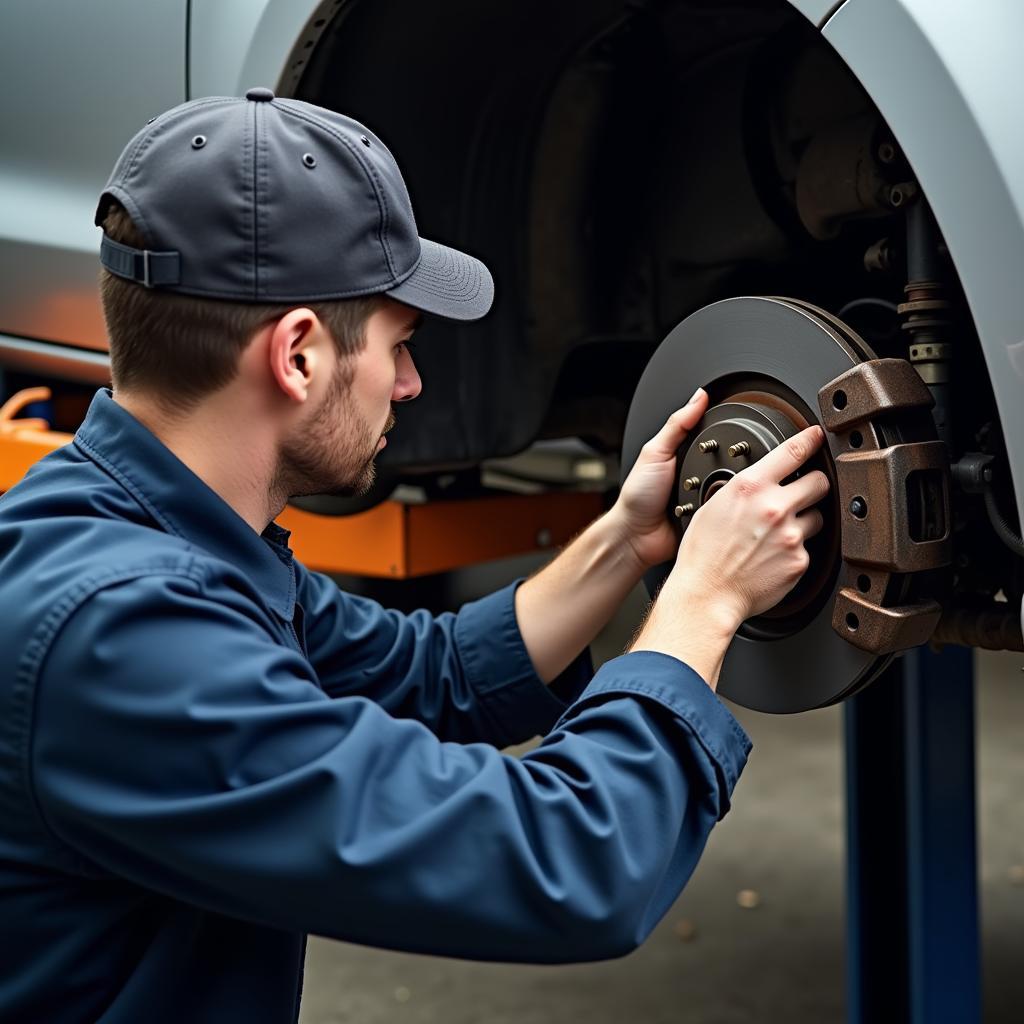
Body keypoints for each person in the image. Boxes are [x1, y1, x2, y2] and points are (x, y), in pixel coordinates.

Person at [0, 91, 828, 1023]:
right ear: (300, 356)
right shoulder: (123, 638)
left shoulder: (143, 528)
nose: (411, 382)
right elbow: (565, 861)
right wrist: (704, 601)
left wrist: (630, 541)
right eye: (398, 343)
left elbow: (426, 675)